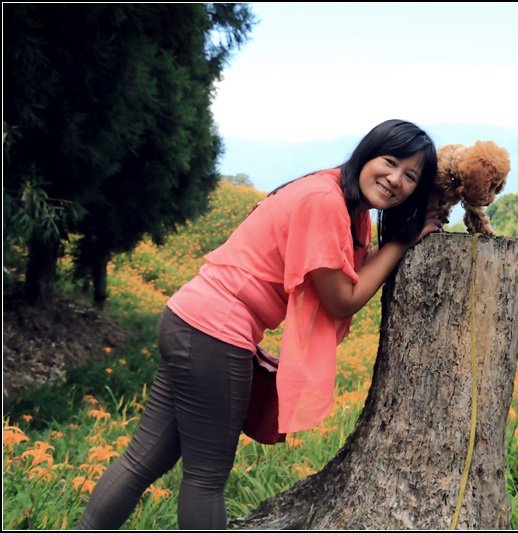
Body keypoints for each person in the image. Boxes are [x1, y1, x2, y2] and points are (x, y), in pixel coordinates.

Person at [77, 119, 442, 529]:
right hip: (212, 332)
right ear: (367, 152)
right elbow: (342, 301)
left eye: (410, 176)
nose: (395, 179)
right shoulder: (325, 202)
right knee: (206, 477)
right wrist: (400, 243)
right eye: (389, 162)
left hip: (190, 319)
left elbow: (343, 275)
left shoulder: (339, 198)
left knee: (145, 457)